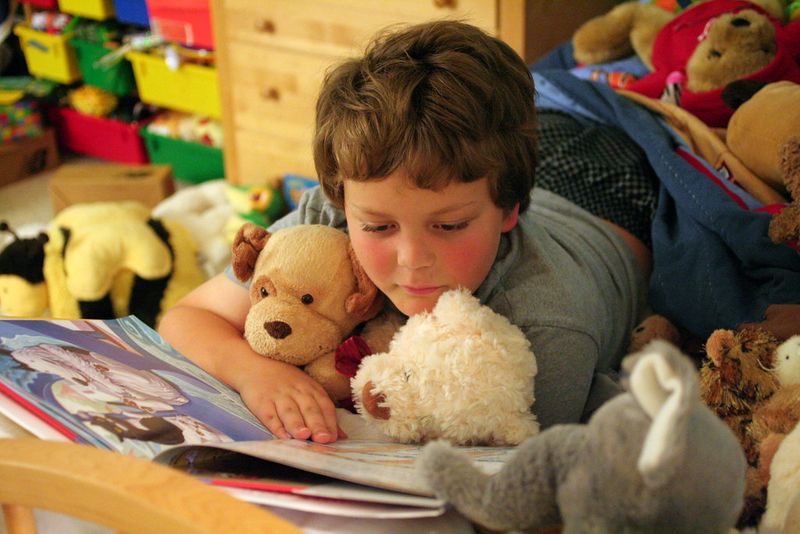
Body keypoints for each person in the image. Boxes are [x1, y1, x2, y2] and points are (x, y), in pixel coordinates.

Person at [159, 20, 656, 444]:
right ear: (339, 200)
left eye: (449, 226)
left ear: (509, 211)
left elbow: (523, 482)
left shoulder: (546, 327)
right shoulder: (326, 224)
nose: (412, 258)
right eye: (377, 226)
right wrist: (255, 373)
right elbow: (186, 318)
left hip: (606, 191)